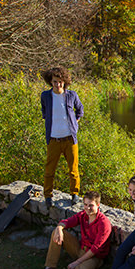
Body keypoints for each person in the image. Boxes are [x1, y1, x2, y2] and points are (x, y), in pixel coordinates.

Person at [31, 191, 111, 269]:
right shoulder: (83, 215)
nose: (87, 208)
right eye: (85, 205)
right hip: (80, 249)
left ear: (98, 205)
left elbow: (95, 249)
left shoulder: (104, 223)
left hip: (94, 257)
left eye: (91, 205)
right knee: (56, 232)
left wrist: (77, 262)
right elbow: (67, 222)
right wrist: (59, 228)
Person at [41, 67, 84, 207]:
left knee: (73, 169)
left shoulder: (71, 95)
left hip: (70, 139)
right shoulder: (45, 96)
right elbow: (44, 112)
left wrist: (74, 124)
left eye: (60, 82)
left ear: (65, 82)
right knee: (49, 170)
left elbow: (80, 110)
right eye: (55, 82)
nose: (57, 84)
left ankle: (74, 194)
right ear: (50, 82)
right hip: (53, 139)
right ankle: (47, 195)